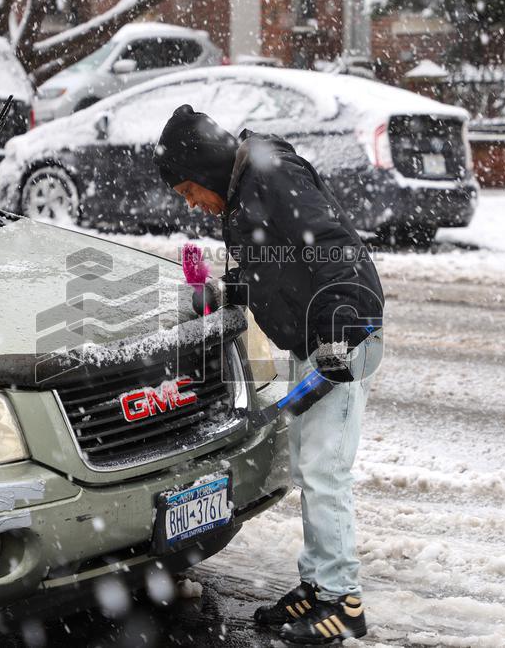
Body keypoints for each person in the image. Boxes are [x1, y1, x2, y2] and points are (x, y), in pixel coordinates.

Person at [153, 105, 384, 644]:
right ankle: (317, 585)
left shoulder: (272, 175)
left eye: (190, 191)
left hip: (342, 340)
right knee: (309, 468)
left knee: (326, 472)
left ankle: (343, 603)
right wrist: (216, 299)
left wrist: (339, 341)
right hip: (314, 341)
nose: (194, 204)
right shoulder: (240, 193)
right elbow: (263, 265)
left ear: (204, 168)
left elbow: (335, 248)